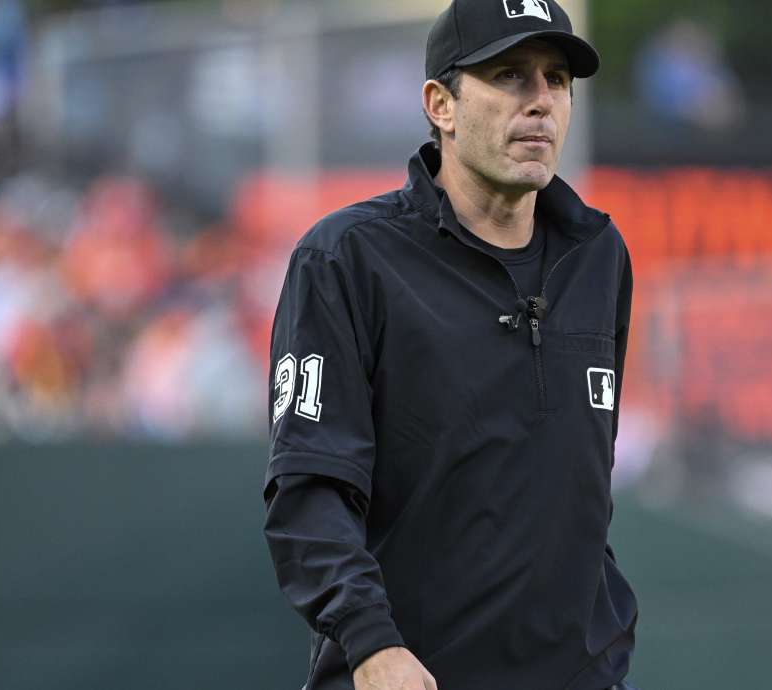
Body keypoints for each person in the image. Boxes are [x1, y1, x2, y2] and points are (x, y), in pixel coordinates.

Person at [261, 1, 639, 689]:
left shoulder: (599, 256)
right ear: (442, 104)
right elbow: (308, 492)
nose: (541, 102)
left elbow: (583, 489)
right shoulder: (345, 259)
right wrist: (372, 644)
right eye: (510, 76)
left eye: (557, 79)